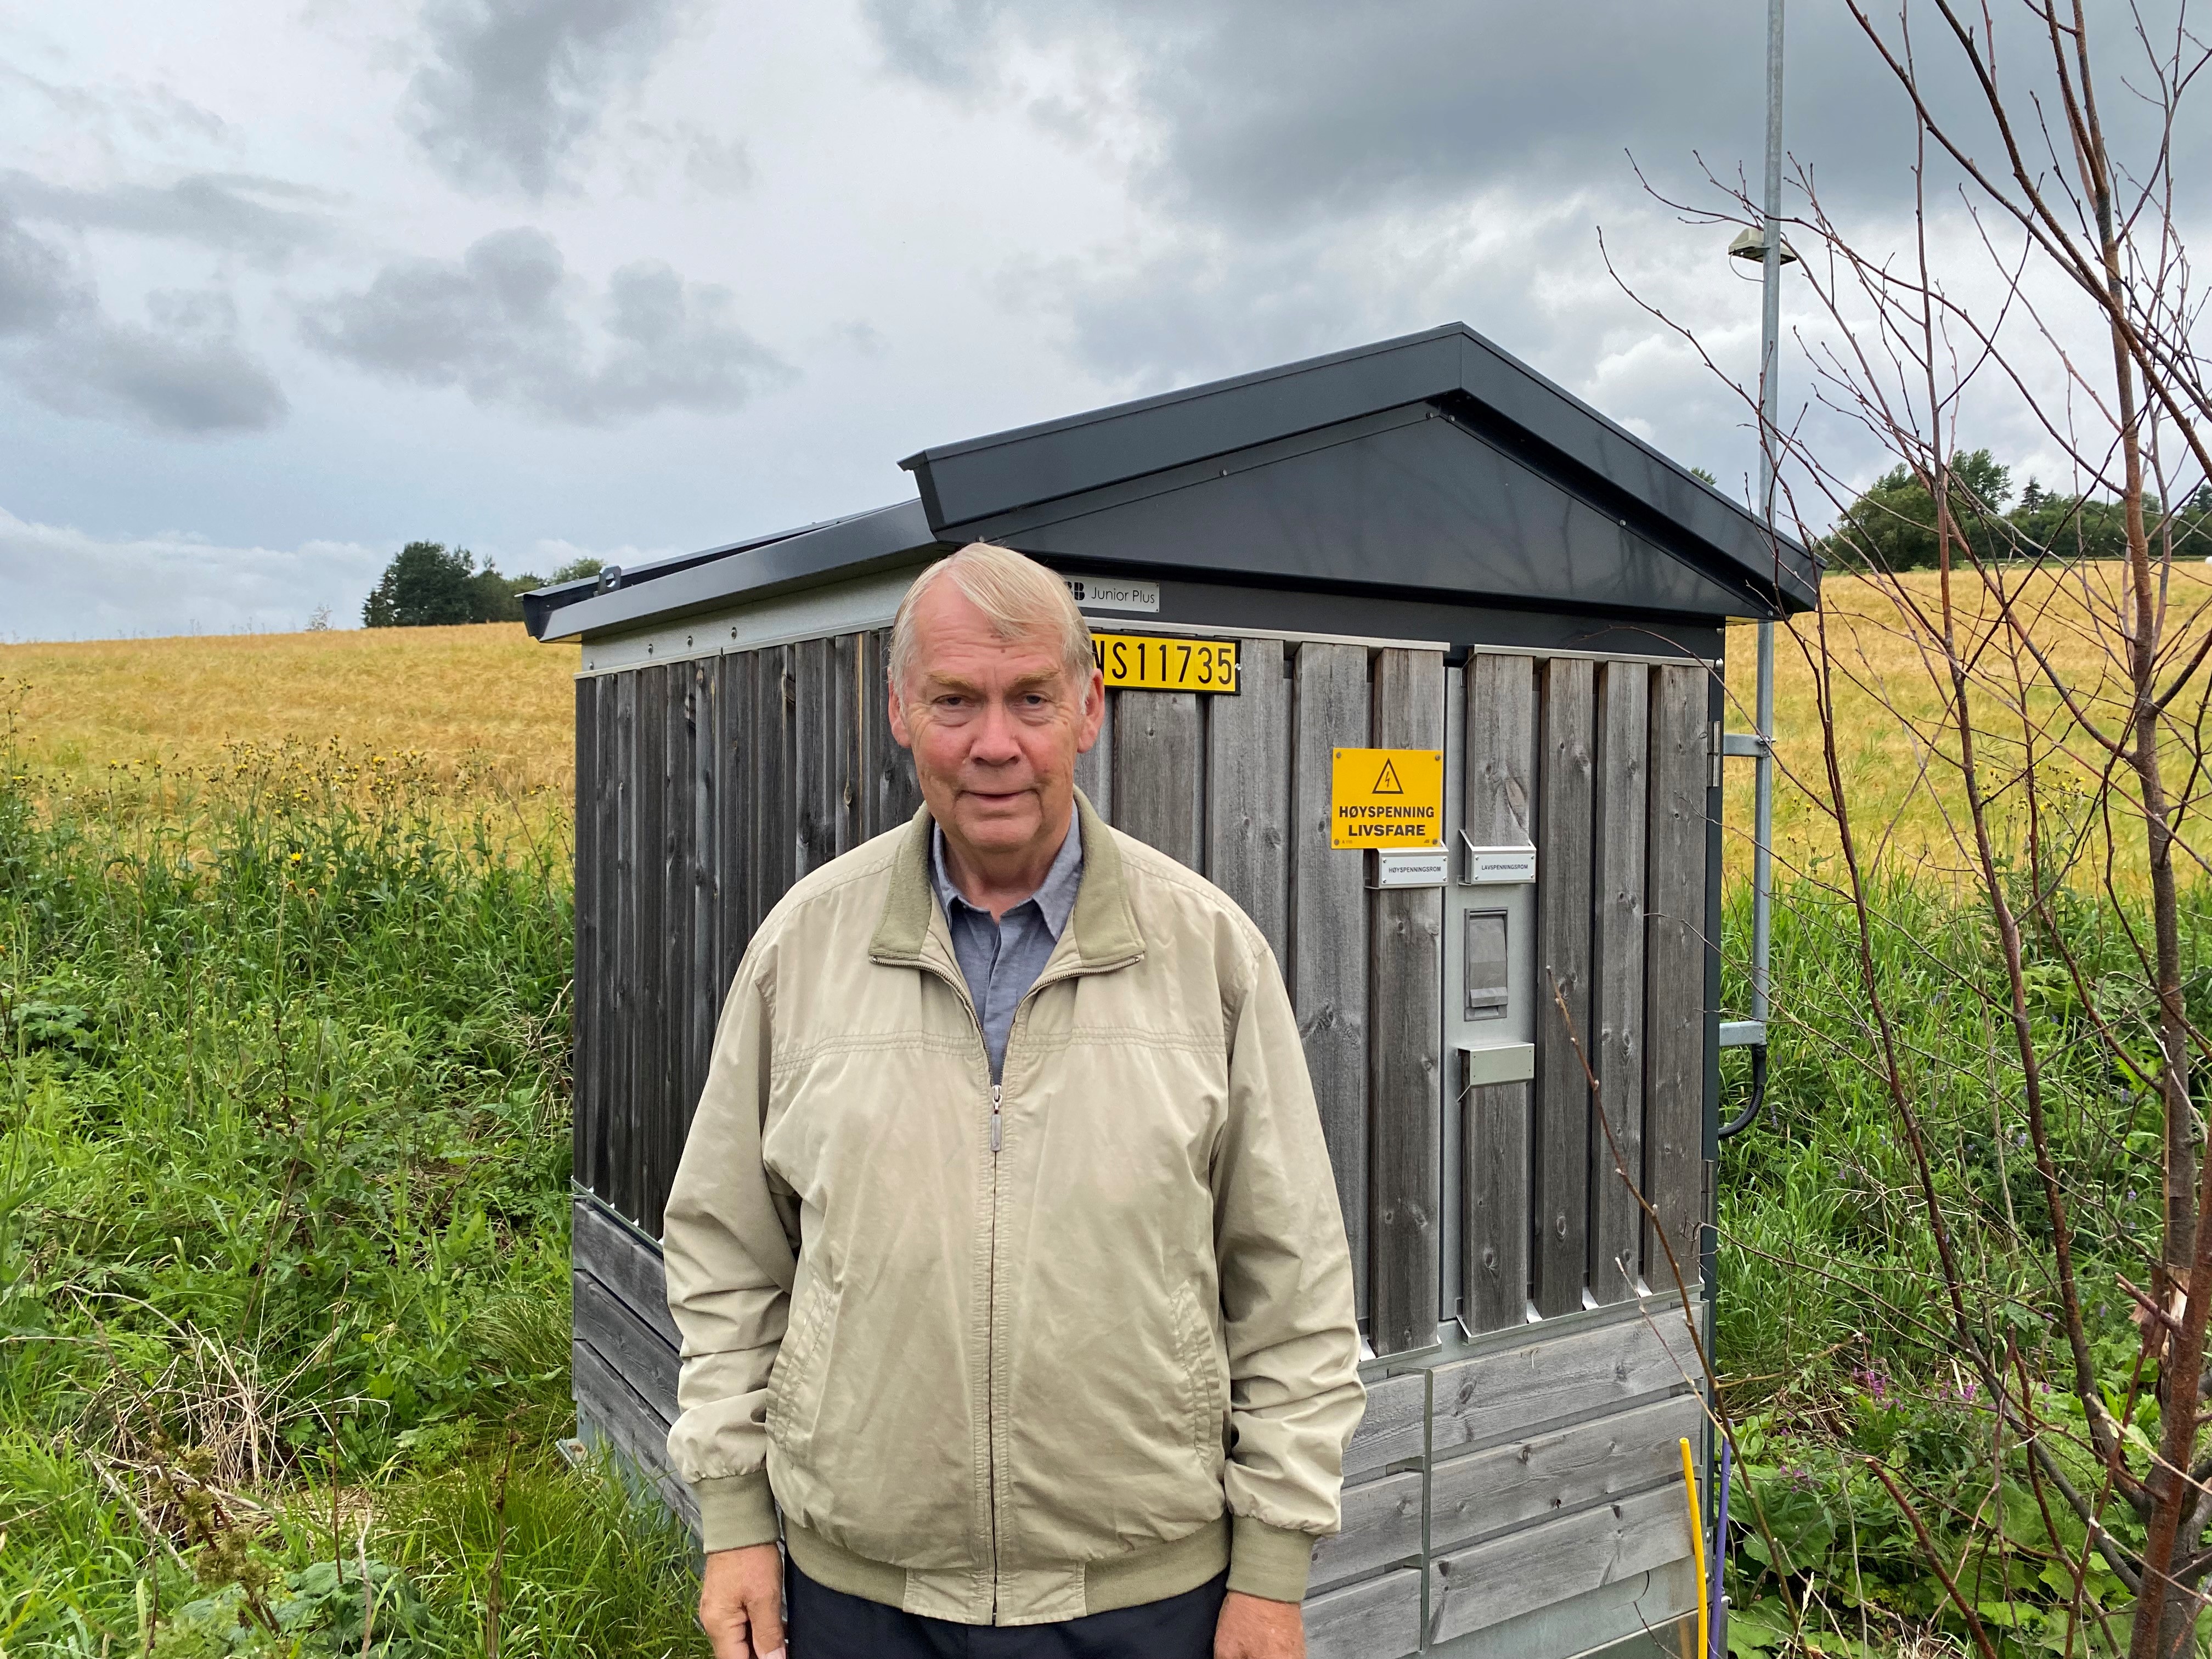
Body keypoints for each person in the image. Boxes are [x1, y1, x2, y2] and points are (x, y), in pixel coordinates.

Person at [661, 542, 1364, 1659]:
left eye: (1031, 697)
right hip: (856, 1601)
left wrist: (1274, 1570)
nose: (995, 743)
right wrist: (735, 1518)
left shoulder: (1210, 956)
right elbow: (728, 1257)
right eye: (956, 700)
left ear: (1089, 709)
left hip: (1146, 1603)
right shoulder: (804, 949)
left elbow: (1293, 1284)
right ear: (900, 712)